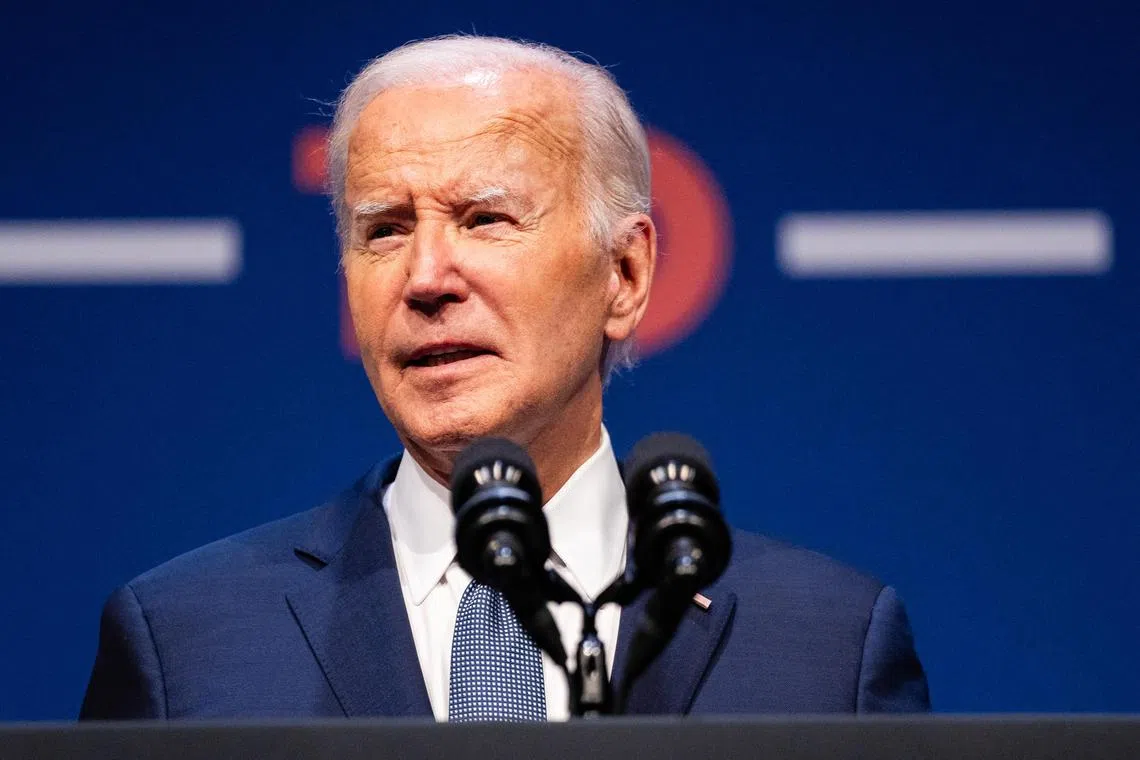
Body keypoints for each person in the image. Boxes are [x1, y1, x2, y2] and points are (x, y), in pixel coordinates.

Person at [80, 35, 930, 720]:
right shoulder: (187, 647)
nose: (425, 278)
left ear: (625, 275)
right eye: (384, 230)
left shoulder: (827, 649)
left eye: (486, 219)